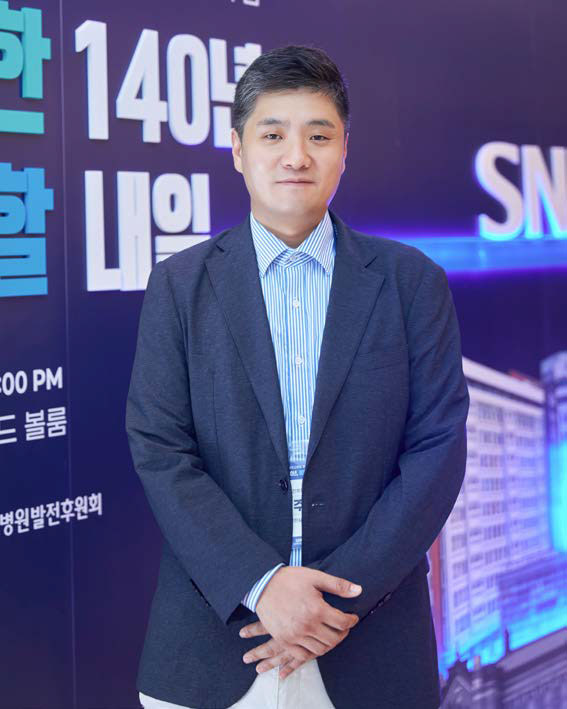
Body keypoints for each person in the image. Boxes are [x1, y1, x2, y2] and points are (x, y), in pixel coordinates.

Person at [126, 44, 470, 709]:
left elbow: (437, 449)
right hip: (214, 644)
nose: (296, 156)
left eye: (318, 135)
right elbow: (160, 448)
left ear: (344, 149)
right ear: (237, 148)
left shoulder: (410, 283)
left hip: (369, 643)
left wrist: (331, 599)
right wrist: (262, 583)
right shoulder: (179, 285)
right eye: (272, 134)